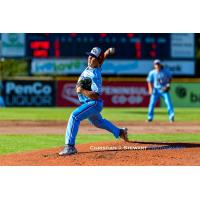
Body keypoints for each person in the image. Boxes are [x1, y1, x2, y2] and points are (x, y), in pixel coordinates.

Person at [59, 47, 128, 156]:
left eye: (93, 57)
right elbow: (102, 59)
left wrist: (82, 90)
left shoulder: (95, 75)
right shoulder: (95, 65)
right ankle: (120, 132)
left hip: (93, 103)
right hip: (89, 103)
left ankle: (70, 146)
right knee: (98, 122)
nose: (89, 58)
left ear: (97, 60)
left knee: (74, 116)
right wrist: (108, 52)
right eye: (89, 56)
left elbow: (95, 96)